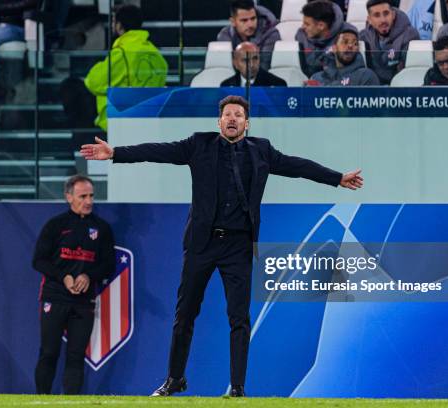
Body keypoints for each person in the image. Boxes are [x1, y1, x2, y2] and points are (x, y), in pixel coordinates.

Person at [79, 95, 363, 397]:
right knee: (185, 313)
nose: (232, 119)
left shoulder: (262, 150)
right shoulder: (198, 144)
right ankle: (174, 379)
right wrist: (115, 153)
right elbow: (158, 151)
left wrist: (337, 178)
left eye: (238, 115)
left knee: (239, 318)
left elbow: (298, 166)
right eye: (227, 114)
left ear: (246, 123)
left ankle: (238, 388)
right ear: (219, 121)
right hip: (202, 243)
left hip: (239, 246)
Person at [33, 175, 115, 395]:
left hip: (83, 301)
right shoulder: (55, 226)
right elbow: (38, 260)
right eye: (83, 196)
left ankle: (71, 401)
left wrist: (89, 276)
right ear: (69, 197)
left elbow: (108, 265)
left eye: (91, 196)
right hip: (54, 297)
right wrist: (64, 277)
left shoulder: (102, 228)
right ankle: (42, 400)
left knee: (76, 355)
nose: (88, 201)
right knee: (49, 352)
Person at [78, 4, 167, 131]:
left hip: (121, 123)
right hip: (150, 123)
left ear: (119, 26)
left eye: (114, 22)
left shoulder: (122, 53)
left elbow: (93, 82)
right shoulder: (156, 55)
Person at [359, 0, 419, 84]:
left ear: (393, 15)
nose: (383, 20)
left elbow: (408, 73)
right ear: (369, 20)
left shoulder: (410, 35)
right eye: (377, 15)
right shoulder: (363, 37)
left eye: (386, 13)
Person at [295, 0, 357, 77]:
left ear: (321, 26)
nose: (302, 27)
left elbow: (349, 70)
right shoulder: (301, 34)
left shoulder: (348, 34)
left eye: (307, 24)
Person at [217, 0, 280, 69]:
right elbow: (226, 69)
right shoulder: (225, 35)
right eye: (244, 20)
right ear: (233, 22)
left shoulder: (270, 34)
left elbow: (263, 67)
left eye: (253, 18)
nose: (250, 25)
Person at [310, 28, 380, 86]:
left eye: (355, 44)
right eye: (345, 42)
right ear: (334, 48)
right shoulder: (317, 78)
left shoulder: (366, 76)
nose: (350, 46)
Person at [221, 42, 287, 87]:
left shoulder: (277, 84)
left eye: (255, 58)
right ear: (235, 63)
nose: (251, 64)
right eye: (245, 60)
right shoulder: (226, 85)